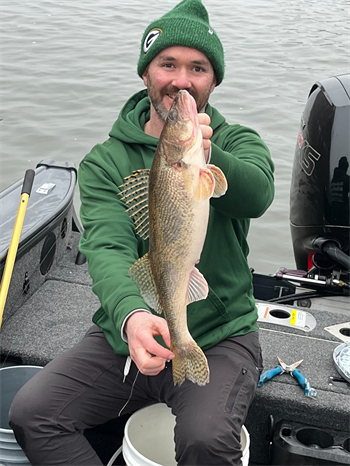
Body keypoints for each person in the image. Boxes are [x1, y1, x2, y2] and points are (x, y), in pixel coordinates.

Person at [9, 1, 275, 465]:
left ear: (214, 80)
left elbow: (257, 195)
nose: (182, 80)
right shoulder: (105, 162)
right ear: (146, 72)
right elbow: (107, 247)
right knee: (34, 414)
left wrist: (210, 156)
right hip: (129, 330)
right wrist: (132, 315)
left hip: (220, 333)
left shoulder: (235, 143)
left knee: (206, 441)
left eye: (198, 68)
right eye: (167, 64)